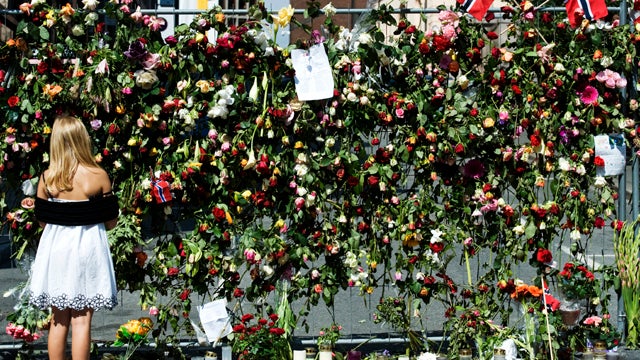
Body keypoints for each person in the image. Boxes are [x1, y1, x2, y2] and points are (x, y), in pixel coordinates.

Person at [29, 115, 119, 360]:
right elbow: (111, 222)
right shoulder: (98, 175)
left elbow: (42, 221)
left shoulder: (48, 178)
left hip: (57, 250)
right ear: (83, 139)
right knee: (82, 320)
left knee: (59, 319)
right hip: (88, 249)